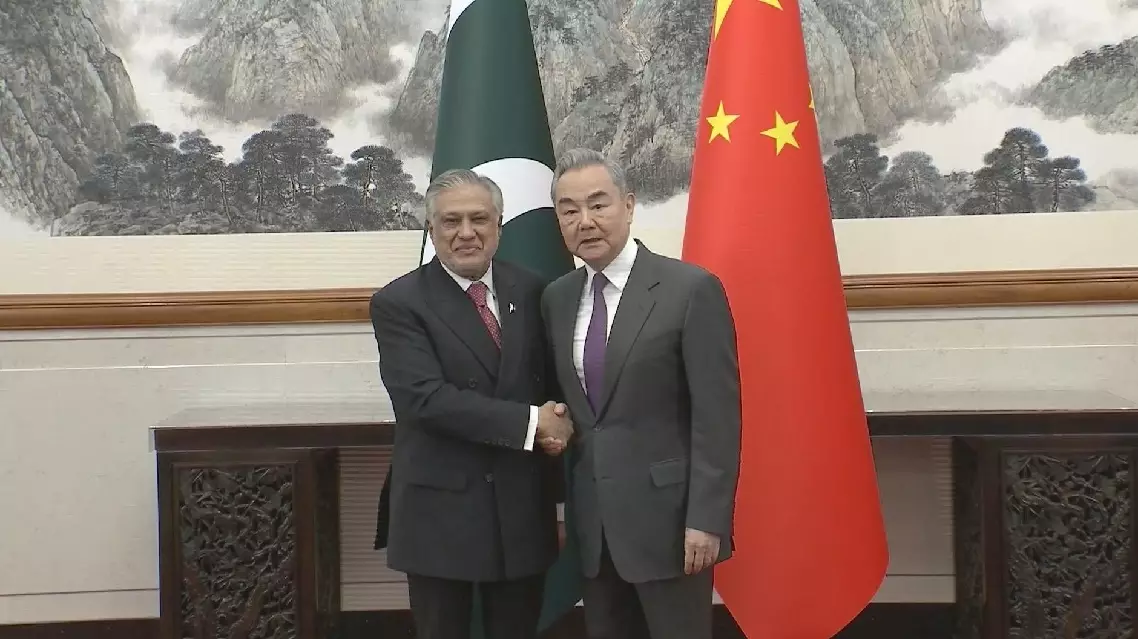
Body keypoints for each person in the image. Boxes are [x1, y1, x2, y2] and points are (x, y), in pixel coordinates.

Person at [538, 148, 742, 639]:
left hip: (671, 527)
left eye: (598, 204)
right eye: (569, 210)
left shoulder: (689, 289)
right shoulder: (557, 298)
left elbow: (717, 417)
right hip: (594, 530)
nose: (585, 221)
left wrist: (707, 520)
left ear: (628, 205)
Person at [369, 168, 575, 639]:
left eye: (479, 219)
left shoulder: (536, 290)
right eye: (451, 221)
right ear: (431, 229)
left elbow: (553, 388)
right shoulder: (399, 302)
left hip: (521, 510)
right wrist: (533, 424)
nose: (466, 232)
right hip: (440, 516)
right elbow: (425, 400)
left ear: (499, 225)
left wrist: (559, 439)